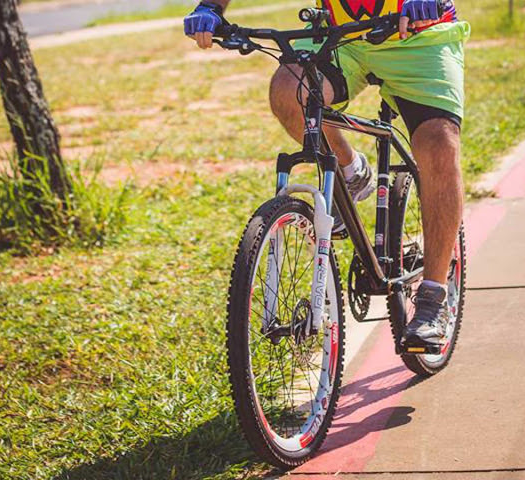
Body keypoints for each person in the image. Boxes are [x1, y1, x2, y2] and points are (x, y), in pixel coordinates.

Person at [183, 0, 470, 349]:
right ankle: (352, 170)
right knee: (291, 93)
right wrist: (211, 7)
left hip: (419, 35)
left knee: (438, 141)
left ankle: (433, 297)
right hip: (339, 36)